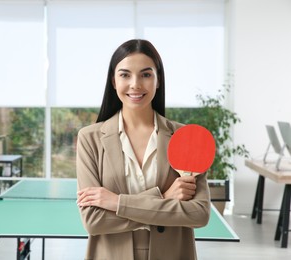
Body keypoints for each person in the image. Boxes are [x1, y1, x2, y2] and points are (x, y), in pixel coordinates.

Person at [76, 39, 211, 260]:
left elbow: (199, 214)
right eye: (125, 74)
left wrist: (116, 203)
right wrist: (163, 198)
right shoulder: (90, 138)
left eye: (146, 75)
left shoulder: (186, 138)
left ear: (158, 80)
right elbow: (93, 221)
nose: (135, 84)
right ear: (113, 81)